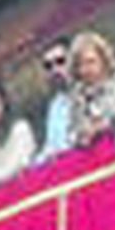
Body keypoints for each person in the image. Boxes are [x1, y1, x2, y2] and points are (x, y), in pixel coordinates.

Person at [67, 31, 115, 147]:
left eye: (90, 62)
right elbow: (71, 133)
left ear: (103, 59)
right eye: (79, 65)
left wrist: (99, 126)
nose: (85, 70)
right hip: (92, 155)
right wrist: (81, 136)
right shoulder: (78, 92)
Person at [33, 35, 73, 163]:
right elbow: (51, 148)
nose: (55, 70)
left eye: (60, 61)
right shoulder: (56, 106)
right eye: (48, 66)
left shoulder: (93, 89)